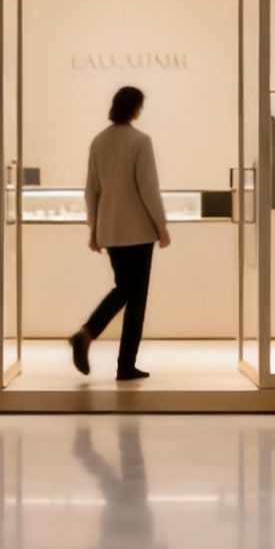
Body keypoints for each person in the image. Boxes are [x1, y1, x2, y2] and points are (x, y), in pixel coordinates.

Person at [69, 86, 171, 381]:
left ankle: (98, 343)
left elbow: (92, 191)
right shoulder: (141, 141)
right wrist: (162, 226)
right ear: (135, 108)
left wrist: (93, 229)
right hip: (139, 231)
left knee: (124, 289)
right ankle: (108, 351)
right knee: (134, 297)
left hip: (110, 230)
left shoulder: (99, 142)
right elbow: (148, 188)